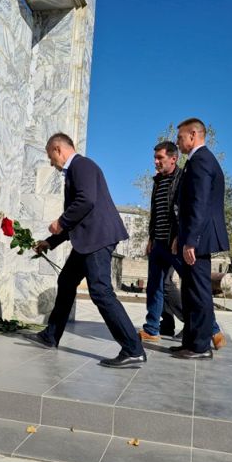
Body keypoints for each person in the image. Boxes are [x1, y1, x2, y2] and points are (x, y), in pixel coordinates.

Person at [24, 133, 147, 368]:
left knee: (100, 292)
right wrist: (50, 242)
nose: (51, 162)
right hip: (87, 240)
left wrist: (60, 221)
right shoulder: (76, 169)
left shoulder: (81, 165)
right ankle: (51, 335)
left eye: (50, 157)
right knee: (66, 281)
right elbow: (80, 216)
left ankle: (133, 349)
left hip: (97, 238)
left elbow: (86, 201)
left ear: (58, 149)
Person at [138, 141, 227, 350]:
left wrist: (181, 236)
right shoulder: (157, 181)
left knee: (192, 287)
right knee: (155, 286)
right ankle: (152, 329)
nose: (156, 162)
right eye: (155, 158)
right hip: (158, 243)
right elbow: (156, 212)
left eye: (160, 158)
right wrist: (151, 238)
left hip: (175, 243)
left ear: (173, 158)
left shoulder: (182, 178)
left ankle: (212, 330)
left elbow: (185, 210)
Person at [171, 118, 229, 359]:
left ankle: (201, 347)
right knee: (189, 292)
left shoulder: (202, 160)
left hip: (200, 237)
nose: (177, 142)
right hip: (193, 235)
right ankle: (190, 342)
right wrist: (181, 236)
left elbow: (200, 203)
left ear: (193, 135)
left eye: (180, 137)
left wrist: (191, 240)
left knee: (199, 292)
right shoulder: (195, 161)